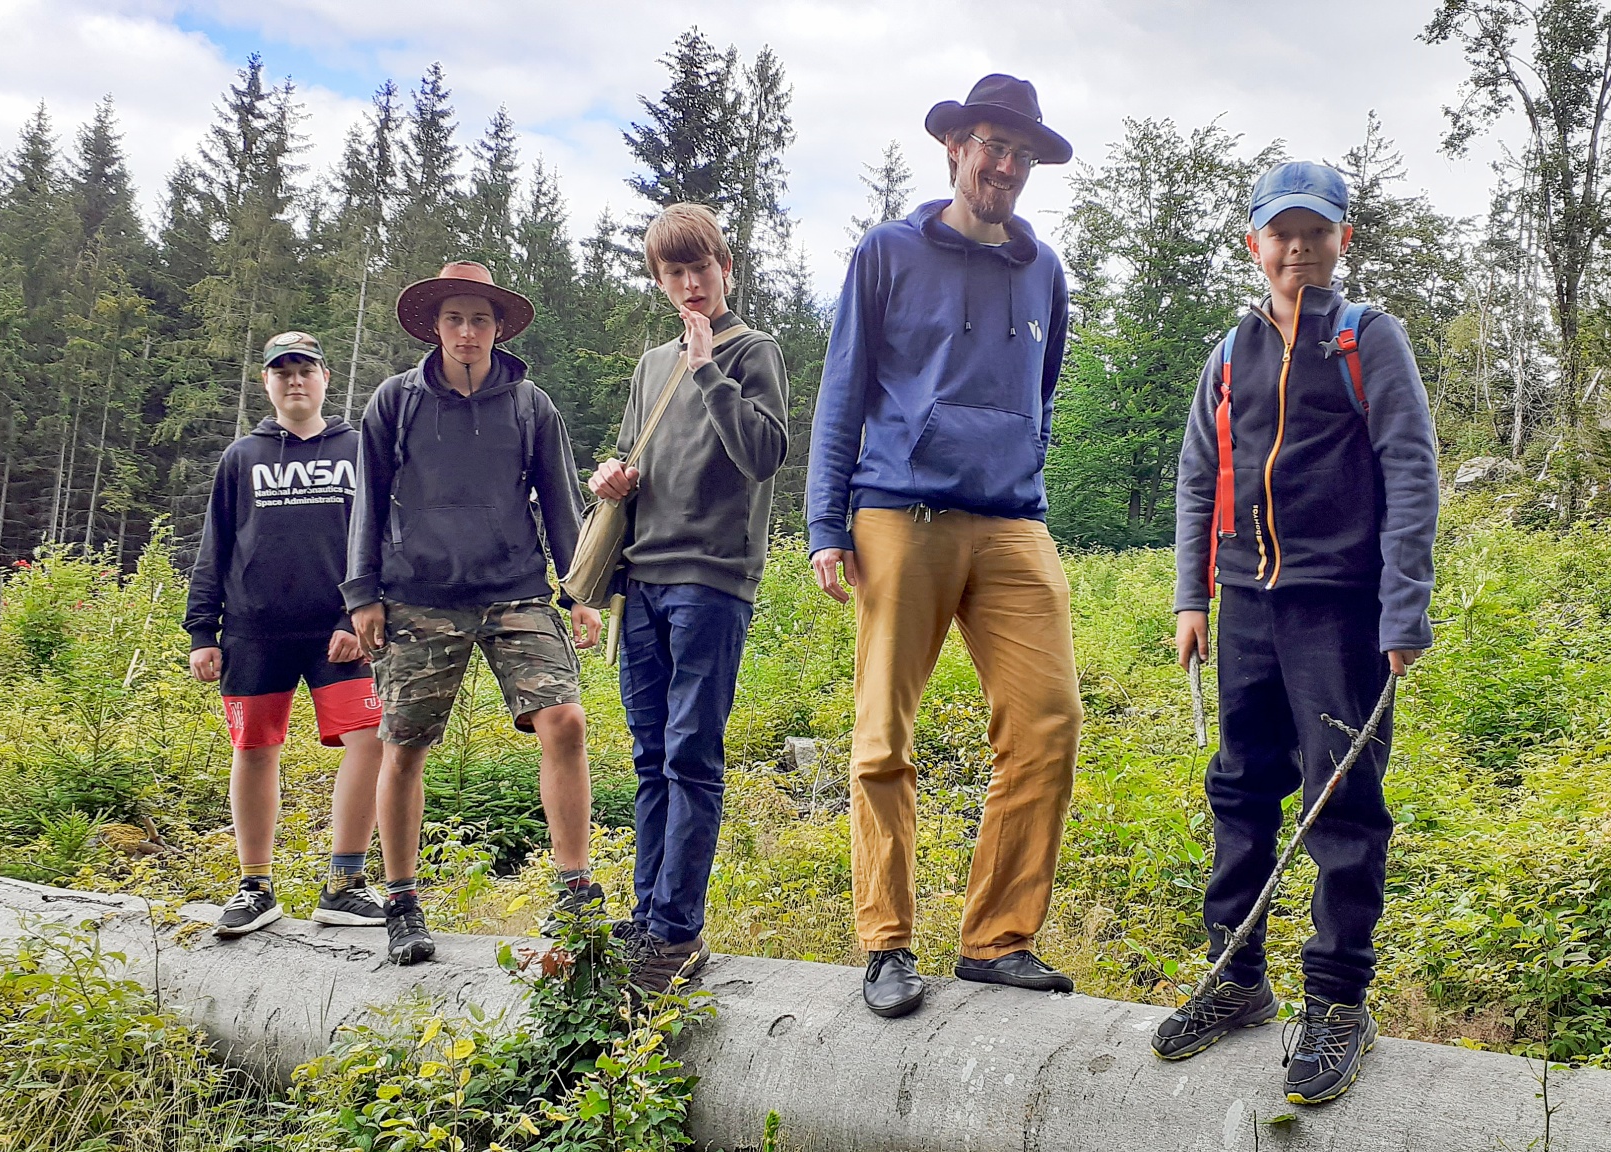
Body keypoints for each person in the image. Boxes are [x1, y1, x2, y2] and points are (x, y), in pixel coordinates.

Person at [1152, 161, 1440, 1105]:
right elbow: (1199, 475)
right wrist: (1192, 598)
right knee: (1240, 789)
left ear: (1343, 240)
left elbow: (1411, 471)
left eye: (1317, 231)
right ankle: (1236, 980)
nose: (1299, 248)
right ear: (1255, 244)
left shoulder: (1367, 340)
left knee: (1341, 801)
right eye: (1282, 233)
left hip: (1341, 609)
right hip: (1246, 605)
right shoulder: (1230, 352)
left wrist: (1404, 608)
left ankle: (1338, 1000)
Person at [807, 74, 1084, 1019]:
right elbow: (843, 390)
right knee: (884, 733)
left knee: (1048, 722)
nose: (1005, 165)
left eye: (1021, 153)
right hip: (900, 511)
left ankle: (997, 940)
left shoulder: (1044, 272)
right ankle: (886, 941)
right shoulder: (888, 253)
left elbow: (1042, 394)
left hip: (1012, 522)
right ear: (956, 148)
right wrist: (826, 523)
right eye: (991, 145)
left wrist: (1024, 465)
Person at [343, 261, 603, 966]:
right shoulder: (395, 402)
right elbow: (368, 499)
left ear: (497, 329)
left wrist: (580, 592)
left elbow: (560, 502)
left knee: (566, 720)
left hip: (514, 589)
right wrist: (362, 594)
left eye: (480, 319)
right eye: (454, 318)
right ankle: (401, 901)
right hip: (417, 595)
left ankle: (575, 890)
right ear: (435, 326)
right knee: (404, 745)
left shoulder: (531, 406)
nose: (467, 331)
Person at [585, 203, 789, 995]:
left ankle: (677, 931)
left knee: (690, 754)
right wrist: (611, 476)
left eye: (700, 267)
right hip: (642, 580)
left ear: (725, 267)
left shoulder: (753, 352)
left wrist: (707, 369)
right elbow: (631, 458)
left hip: (711, 580)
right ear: (661, 281)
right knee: (649, 758)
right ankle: (646, 918)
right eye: (674, 272)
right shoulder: (648, 365)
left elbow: (762, 453)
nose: (690, 284)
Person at [184, 331, 388, 938]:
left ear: (326, 378)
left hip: (340, 632)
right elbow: (216, 545)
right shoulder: (241, 457)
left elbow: (382, 538)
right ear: (266, 382)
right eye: (283, 371)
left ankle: (346, 884)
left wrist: (356, 615)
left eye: (305, 370)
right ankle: (255, 886)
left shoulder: (359, 449)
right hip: (253, 631)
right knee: (253, 749)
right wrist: (202, 630)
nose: (295, 380)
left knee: (370, 741)